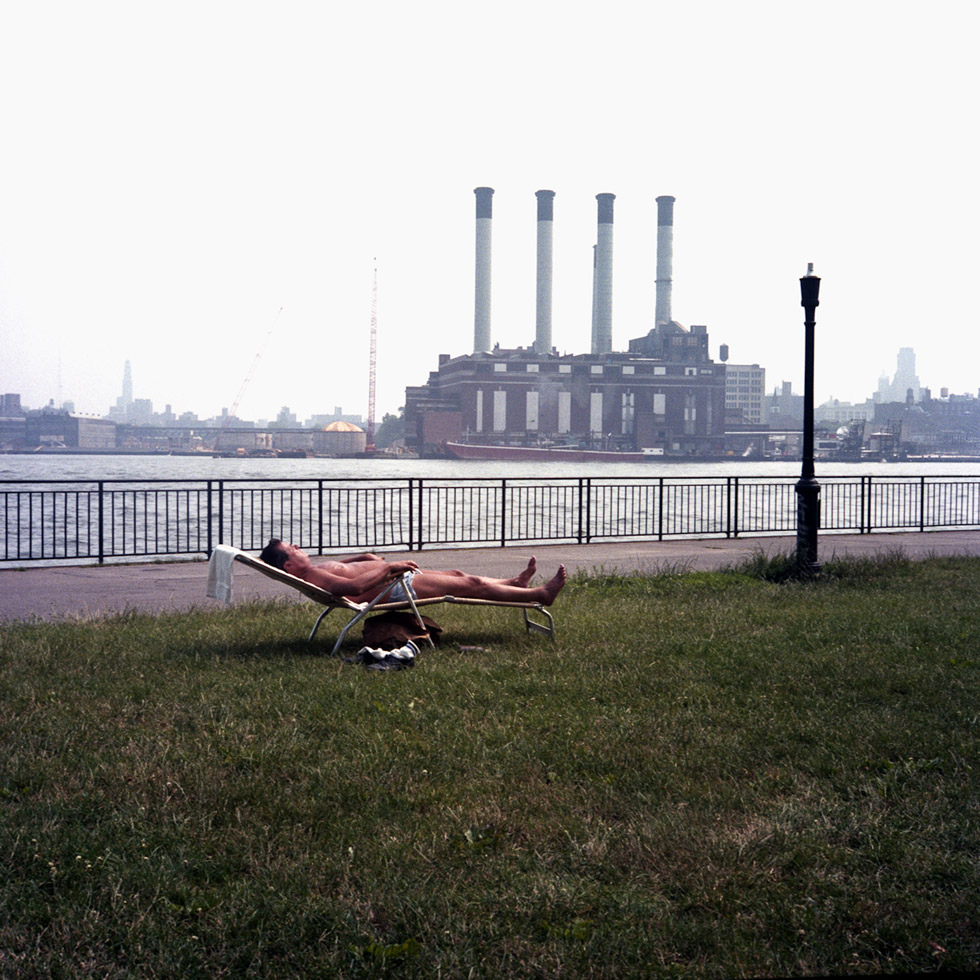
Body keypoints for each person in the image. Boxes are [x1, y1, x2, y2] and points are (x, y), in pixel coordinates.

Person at [258, 539, 566, 605]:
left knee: (458, 574)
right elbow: (351, 589)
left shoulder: (311, 570)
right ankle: (539, 595)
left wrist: (363, 557)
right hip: (395, 587)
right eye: (292, 547)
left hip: (394, 579)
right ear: (288, 565)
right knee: (468, 583)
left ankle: (512, 583)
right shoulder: (313, 577)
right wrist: (390, 566)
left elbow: (348, 572)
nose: (298, 546)